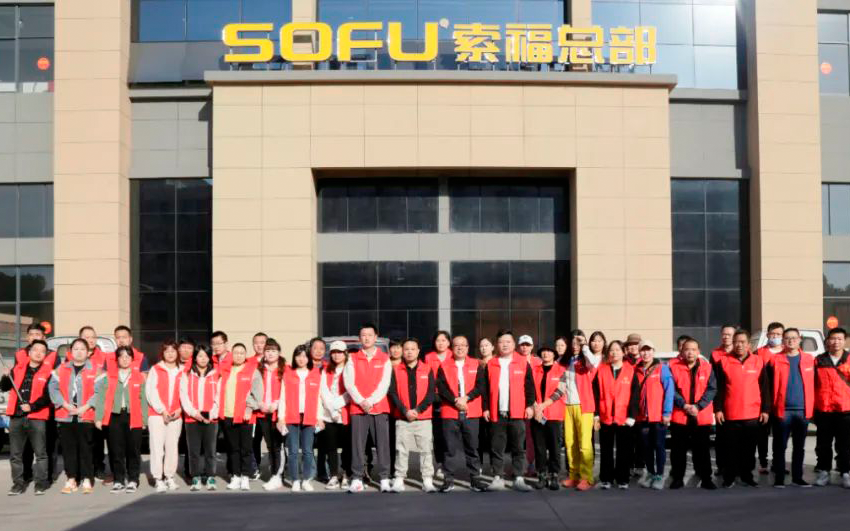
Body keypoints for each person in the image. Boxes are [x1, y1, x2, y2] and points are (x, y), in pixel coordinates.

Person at [541, 329, 600, 491]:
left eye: (578, 342)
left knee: (584, 444)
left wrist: (585, 345)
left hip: (584, 406)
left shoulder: (586, 360)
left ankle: (586, 477)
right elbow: (559, 386)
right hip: (567, 406)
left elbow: (594, 363)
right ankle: (574, 475)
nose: (575, 346)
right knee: (570, 442)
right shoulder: (564, 362)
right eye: (573, 343)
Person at [714, 328, 770, 488]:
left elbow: (765, 388)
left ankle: (747, 476)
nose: (739, 345)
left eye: (743, 342)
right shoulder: (723, 362)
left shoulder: (758, 361)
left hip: (752, 414)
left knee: (749, 449)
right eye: (736, 342)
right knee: (730, 448)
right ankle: (729, 477)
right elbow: (719, 388)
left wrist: (765, 410)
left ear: (748, 344)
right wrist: (718, 409)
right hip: (730, 414)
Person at [343, 323, 393, 493]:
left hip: (379, 407)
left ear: (375, 337)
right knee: (357, 445)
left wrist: (370, 401)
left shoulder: (384, 358)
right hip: (358, 408)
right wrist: (361, 401)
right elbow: (349, 383)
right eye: (363, 335)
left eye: (370, 335)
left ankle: (384, 478)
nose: (366, 338)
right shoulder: (353, 358)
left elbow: (384, 384)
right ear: (359, 338)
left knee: (382, 445)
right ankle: (357, 478)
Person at [436, 334, 488, 492]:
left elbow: (481, 386)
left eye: (463, 345)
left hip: (471, 411)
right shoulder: (444, 365)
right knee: (449, 448)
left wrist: (467, 398)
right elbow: (441, 388)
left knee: (472, 447)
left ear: (467, 348)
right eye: (456, 345)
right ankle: (448, 479)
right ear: (452, 348)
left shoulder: (476, 364)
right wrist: (455, 401)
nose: (460, 348)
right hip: (450, 412)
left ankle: (475, 479)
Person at [485, 330, 535, 492]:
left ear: (514, 345)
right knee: (496, 448)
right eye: (501, 342)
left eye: (508, 342)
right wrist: (485, 408)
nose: (504, 345)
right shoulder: (491, 364)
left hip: (517, 413)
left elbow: (530, 387)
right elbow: (484, 389)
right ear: (496, 345)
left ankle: (519, 478)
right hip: (497, 413)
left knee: (518, 447)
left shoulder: (522, 362)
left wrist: (529, 406)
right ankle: (498, 477)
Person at [93, 346, 148, 493]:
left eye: (128, 356)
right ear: (117, 359)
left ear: (132, 360)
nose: (125, 359)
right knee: (116, 450)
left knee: (133, 450)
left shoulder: (138, 377)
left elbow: (143, 399)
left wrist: (144, 419)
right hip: (114, 416)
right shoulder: (109, 376)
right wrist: (98, 418)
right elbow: (101, 398)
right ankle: (118, 480)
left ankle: (133, 479)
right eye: (121, 356)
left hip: (134, 416)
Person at [2, 339, 53, 495]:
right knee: (15, 454)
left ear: (45, 355)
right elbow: (4, 387)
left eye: (42, 351)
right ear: (29, 352)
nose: (38, 353)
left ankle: (41, 483)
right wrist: (5, 376)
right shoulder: (17, 369)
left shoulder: (48, 373)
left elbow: (48, 397)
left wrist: (32, 406)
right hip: (16, 416)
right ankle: (18, 484)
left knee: (41, 454)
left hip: (37, 417)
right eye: (35, 349)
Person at [49, 338, 98, 494]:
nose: (79, 352)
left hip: (86, 414)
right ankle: (71, 478)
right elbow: (53, 388)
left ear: (88, 352)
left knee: (86, 448)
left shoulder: (95, 369)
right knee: (69, 449)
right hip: (66, 414)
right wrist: (65, 404)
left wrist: (85, 407)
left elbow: (100, 391)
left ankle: (87, 478)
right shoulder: (61, 368)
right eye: (76, 349)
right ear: (70, 351)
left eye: (82, 349)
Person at [387, 338, 437, 493]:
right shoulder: (396, 370)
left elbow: (431, 393)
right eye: (406, 349)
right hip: (403, 417)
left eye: (412, 349)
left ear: (418, 351)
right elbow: (393, 393)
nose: (409, 352)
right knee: (401, 449)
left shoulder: (427, 369)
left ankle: (427, 479)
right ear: (403, 351)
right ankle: (399, 478)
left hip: (423, 417)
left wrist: (418, 410)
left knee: (426, 449)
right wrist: (405, 411)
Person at [767, 328, 814, 488]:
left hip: (803, 411)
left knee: (799, 447)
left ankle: (797, 478)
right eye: (787, 338)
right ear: (783, 341)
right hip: (782, 411)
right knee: (780, 446)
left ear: (800, 339)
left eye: (794, 338)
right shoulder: (775, 360)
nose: (791, 340)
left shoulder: (809, 359)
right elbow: (768, 385)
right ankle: (779, 479)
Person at [668, 338, 717, 490]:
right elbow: (671, 390)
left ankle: (706, 478)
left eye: (693, 349)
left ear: (698, 351)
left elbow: (712, 389)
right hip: (680, 414)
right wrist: (684, 405)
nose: (690, 352)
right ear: (682, 351)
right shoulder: (673, 367)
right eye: (687, 349)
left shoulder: (707, 367)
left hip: (700, 414)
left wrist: (698, 406)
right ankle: (678, 478)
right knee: (678, 450)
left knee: (702, 449)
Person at [277, 344, 324, 492]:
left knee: (308, 451)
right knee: (292, 451)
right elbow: (282, 397)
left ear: (309, 358)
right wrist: (281, 417)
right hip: (291, 416)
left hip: (309, 416)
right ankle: (295, 480)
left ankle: (306, 479)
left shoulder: (315, 373)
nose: (301, 359)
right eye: (298, 355)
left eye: (304, 356)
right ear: (294, 357)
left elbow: (319, 398)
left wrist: (320, 417)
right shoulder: (288, 373)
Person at [593, 340, 638, 490]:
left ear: (624, 352)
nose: (614, 353)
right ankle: (606, 478)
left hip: (624, 417)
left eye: (618, 350)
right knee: (606, 450)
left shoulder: (630, 370)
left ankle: (622, 479)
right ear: (608, 353)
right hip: (605, 416)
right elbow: (595, 393)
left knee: (623, 450)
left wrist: (631, 416)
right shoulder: (602, 370)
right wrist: (596, 414)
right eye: (612, 350)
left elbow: (635, 395)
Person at [219, 343, 261, 491]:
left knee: (246, 449)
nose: (238, 355)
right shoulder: (226, 371)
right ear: (232, 354)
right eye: (236, 352)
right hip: (227, 415)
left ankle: (245, 477)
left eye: (241, 353)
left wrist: (249, 408)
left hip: (245, 416)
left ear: (245, 355)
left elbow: (257, 395)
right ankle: (236, 476)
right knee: (233, 449)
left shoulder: (252, 371)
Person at [634, 340, 674, 490]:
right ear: (639, 352)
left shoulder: (662, 369)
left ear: (653, 351)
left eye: (648, 350)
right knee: (646, 447)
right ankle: (650, 473)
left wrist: (667, 412)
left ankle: (659, 476)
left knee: (659, 445)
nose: (646, 353)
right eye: (643, 350)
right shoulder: (636, 370)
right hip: (642, 417)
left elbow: (669, 391)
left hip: (658, 417)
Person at [813, 327, 850, 488]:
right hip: (824, 409)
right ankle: (824, 472)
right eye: (833, 338)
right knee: (823, 444)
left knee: (845, 444)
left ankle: (846, 472)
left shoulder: (849, 359)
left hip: (845, 409)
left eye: (839, 339)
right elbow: (813, 385)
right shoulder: (819, 360)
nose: (836, 342)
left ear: (845, 341)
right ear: (828, 340)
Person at [146, 339, 185, 493]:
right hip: (157, 415)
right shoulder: (155, 369)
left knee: (172, 447)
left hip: (176, 414)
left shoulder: (183, 370)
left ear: (177, 353)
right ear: (162, 353)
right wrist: (162, 410)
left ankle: (169, 476)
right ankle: (158, 478)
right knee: (157, 447)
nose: (170, 354)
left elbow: (185, 393)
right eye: (167, 351)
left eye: (173, 351)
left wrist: (180, 409)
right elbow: (151, 391)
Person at [180, 344, 219, 492]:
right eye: (200, 356)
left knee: (210, 450)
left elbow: (219, 397)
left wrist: (211, 414)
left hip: (211, 418)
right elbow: (184, 396)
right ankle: (195, 477)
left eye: (206, 356)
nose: (203, 359)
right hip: (192, 418)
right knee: (193, 451)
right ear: (195, 357)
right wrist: (194, 413)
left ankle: (210, 477)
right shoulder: (187, 375)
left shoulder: (216, 375)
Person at [530, 346, 565, 490]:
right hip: (537, 414)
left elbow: (560, 391)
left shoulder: (561, 370)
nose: (546, 353)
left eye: (549, 351)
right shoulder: (534, 370)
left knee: (555, 446)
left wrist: (542, 406)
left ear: (554, 354)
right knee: (539, 447)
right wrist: (536, 407)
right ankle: (542, 475)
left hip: (554, 414)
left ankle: (554, 475)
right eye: (543, 351)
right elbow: (529, 390)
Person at [320, 341, 352, 490]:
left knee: (347, 446)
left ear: (345, 353)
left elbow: (351, 390)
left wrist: (337, 405)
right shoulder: (325, 369)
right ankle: (333, 475)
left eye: (339, 352)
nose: (336, 355)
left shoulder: (350, 368)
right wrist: (332, 409)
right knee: (331, 447)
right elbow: (323, 391)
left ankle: (346, 474)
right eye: (333, 352)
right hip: (329, 414)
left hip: (345, 413)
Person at [78, 325, 108, 483]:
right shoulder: (74, 355)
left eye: (93, 337)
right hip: (80, 406)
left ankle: (99, 468)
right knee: (82, 441)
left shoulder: (104, 357)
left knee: (98, 440)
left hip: (98, 405)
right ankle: (84, 470)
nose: (90, 340)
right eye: (87, 337)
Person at [755, 322, 784, 475]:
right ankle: (763, 462)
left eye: (778, 334)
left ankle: (779, 463)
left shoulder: (787, 352)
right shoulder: (758, 353)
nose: (775, 337)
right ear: (767, 335)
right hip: (763, 401)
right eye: (773, 334)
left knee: (780, 435)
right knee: (762, 435)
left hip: (782, 402)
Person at [257, 339, 285, 491]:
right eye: (267, 350)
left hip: (278, 413)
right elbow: (253, 389)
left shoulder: (285, 369)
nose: (270, 353)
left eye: (273, 350)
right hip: (263, 412)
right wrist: (259, 403)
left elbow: (289, 391)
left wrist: (277, 403)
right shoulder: (259, 369)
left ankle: (277, 476)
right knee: (269, 445)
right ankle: (275, 474)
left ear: (279, 353)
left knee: (278, 446)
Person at [424, 330, 452, 479]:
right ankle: (440, 464)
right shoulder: (429, 357)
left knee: (450, 434)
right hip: (435, 399)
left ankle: (450, 464)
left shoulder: (453, 356)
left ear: (449, 342)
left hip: (451, 399)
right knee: (438, 434)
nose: (441, 343)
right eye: (438, 340)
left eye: (443, 340)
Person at [710, 324, 737, 477]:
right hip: (721, 400)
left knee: (737, 437)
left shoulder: (741, 353)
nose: (726, 337)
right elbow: (713, 381)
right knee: (721, 437)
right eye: (724, 334)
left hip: (738, 401)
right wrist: (717, 406)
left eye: (729, 334)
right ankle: (721, 466)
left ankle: (737, 466)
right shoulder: (715, 354)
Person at [307, 336, 329, 482]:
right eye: (315, 348)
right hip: (308, 410)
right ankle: (310, 471)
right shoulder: (304, 366)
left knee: (324, 444)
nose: (318, 351)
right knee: (308, 444)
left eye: (322, 348)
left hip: (325, 411)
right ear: (310, 349)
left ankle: (323, 471)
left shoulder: (329, 367)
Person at [249, 332, 268, 481]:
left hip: (270, 410)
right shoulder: (248, 362)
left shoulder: (275, 361)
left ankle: (279, 468)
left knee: (274, 442)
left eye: (262, 342)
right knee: (254, 440)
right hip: (254, 411)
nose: (259, 345)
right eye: (256, 342)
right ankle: (255, 467)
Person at [477, 337, 495, 474]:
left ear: (492, 347)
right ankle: (478, 465)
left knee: (494, 437)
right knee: (479, 437)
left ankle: (495, 466)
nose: (484, 348)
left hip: (494, 404)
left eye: (487, 345)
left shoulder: (497, 363)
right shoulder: (476, 364)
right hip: (478, 404)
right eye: (481, 346)